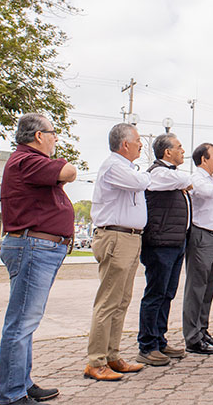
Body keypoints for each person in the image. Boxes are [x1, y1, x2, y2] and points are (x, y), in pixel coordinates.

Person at [0, 113, 77, 405]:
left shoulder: (28, 162)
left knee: (25, 321)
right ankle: (11, 395)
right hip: (33, 247)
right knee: (21, 323)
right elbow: (69, 171)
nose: (56, 139)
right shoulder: (27, 160)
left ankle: (21, 382)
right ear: (39, 135)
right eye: (53, 133)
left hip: (39, 247)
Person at [84, 123, 150, 381]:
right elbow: (141, 182)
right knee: (108, 301)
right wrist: (147, 176)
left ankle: (112, 355)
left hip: (130, 237)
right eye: (137, 140)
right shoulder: (114, 166)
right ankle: (96, 361)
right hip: (115, 237)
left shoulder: (126, 168)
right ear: (125, 144)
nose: (141, 144)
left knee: (122, 300)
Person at [136, 133, 193, 366]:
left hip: (175, 243)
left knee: (167, 294)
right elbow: (186, 179)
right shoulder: (158, 173)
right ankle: (147, 346)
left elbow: (184, 181)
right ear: (167, 152)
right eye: (179, 147)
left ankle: (159, 340)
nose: (183, 151)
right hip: (160, 243)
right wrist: (184, 182)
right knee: (155, 294)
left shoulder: (171, 176)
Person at [183, 143, 213, 355]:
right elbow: (202, 190)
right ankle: (192, 338)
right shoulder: (197, 178)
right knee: (196, 289)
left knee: (208, 289)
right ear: (204, 159)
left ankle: (202, 331)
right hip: (201, 236)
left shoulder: (210, 180)